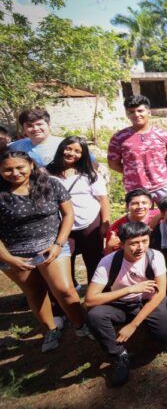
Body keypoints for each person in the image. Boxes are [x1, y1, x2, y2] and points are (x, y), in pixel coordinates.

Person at [0, 150, 91, 352]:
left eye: (19, 167)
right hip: (14, 253)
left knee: (64, 290)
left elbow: (68, 214)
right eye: (8, 169)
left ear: (31, 165)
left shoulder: (50, 184)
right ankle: (50, 330)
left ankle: (81, 325)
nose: (14, 173)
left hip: (52, 245)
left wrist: (58, 243)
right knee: (35, 293)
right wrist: (9, 258)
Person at [85, 221, 167, 386]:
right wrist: (130, 289)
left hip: (147, 300)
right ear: (122, 244)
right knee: (95, 315)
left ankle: (144, 324)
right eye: (133, 243)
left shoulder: (155, 256)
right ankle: (119, 355)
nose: (140, 247)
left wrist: (133, 325)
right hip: (120, 305)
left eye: (144, 241)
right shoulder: (108, 262)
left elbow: (160, 293)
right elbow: (90, 300)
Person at [47, 136, 110, 283]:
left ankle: (97, 294)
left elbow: (103, 199)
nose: (71, 153)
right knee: (65, 260)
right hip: (62, 225)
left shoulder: (89, 174)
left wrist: (105, 224)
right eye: (68, 148)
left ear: (83, 155)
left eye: (77, 151)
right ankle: (69, 294)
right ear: (61, 148)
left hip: (90, 222)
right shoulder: (47, 173)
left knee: (94, 259)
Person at [108, 95, 167, 203]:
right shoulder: (119, 138)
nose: (136, 114)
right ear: (127, 115)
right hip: (136, 190)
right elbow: (113, 164)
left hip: (164, 186)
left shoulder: (163, 134)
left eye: (140, 111)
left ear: (149, 112)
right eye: (131, 112)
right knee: (140, 220)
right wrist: (133, 171)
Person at [104, 189, 160, 254]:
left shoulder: (159, 216)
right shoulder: (117, 227)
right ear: (127, 206)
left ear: (150, 204)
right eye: (135, 204)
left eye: (144, 203)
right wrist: (109, 247)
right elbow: (109, 255)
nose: (140, 207)